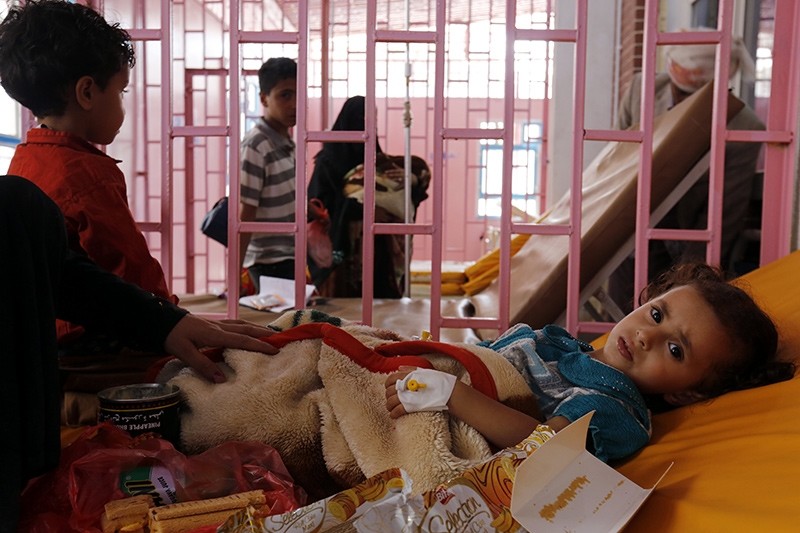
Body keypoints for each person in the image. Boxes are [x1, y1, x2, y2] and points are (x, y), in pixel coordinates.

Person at [0, 174, 280, 531]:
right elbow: (132, 267)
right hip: (86, 353)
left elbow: (64, 274)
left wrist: (166, 322)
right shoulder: (83, 177)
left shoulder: (26, 191)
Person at [386, 262, 795, 462]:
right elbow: (483, 357)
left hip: (439, 430)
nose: (645, 336)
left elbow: (544, 447)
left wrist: (450, 395)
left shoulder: (613, 404)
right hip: (419, 388)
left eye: (675, 350)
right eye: (656, 315)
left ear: (688, 390)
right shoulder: (561, 344)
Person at [0, 0, 181, 396]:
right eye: (121, 91)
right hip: (88, 346)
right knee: (200, 367)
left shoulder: (26, 159)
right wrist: (171, 316)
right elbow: (130, 269)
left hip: (41, 340)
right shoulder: (89, 175)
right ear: (86, 92)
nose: (123, 104)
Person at [610, 29, 765, 313]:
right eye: (680, 93)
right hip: (633, 223)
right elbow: (618, 162)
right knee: (623, 312)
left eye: (699, 96)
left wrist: (686, 282)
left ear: (721, 88)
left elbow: (722, 215)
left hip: (689, 232)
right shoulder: (642, 92)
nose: (686, 105)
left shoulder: (744, 128)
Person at [308, 95, 431, 297]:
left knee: (380, 310)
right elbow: (318, 205)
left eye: (371, 119)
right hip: (343, 253)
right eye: (361, 119)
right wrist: (363, 209)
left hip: (379, 253)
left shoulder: (377, 160)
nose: (367, 125)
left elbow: (407, 193)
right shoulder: (329, 161)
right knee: (344, 315)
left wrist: (410, 180)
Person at [239, 57, 298, 292]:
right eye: (284, 95)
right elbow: (247, 212)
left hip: (289, 254)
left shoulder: (287, 140)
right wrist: (235, 270)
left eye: (298, 94)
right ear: (264, 98)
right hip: (268, 261)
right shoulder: (256, 145)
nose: (294, 103)